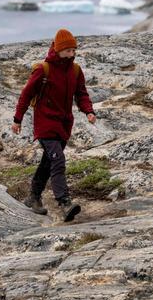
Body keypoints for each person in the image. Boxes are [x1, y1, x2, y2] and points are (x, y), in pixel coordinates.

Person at [11, 28, 96, 221]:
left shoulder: (75, 70)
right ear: (58, 49)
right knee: (58, 159)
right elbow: (26, 95)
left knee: (48, 161)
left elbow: (81, 94)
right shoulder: (43, 69)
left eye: (74, 50)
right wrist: (18, 119)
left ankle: (33, 196)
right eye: (68, 50)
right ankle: (64, 203)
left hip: (64, 125)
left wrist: (88, 111)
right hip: (45, 124)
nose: (72, 54)